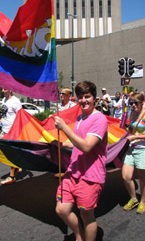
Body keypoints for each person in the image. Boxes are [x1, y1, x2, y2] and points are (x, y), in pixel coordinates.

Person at [54, 81, 108, 241]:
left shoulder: (100, 119)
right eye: (80, 97)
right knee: (62, 209)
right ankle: (80, 236)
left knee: (86, 216)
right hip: (73, 172)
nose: (84, 100)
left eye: (87, 96)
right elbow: (79, 142)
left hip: (90, 177)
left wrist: (65, 128)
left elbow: (86, 146)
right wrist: (62, 144)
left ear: (94, 98)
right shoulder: (80, 117)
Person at [122, 93, 145, 214]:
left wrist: (135, 136)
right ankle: (134, 198)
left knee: (142, 178)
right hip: (131, 149)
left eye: (136, 103)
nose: (133, 105)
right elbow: (131, 130)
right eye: (131, 103)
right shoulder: (132, 113)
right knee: (126, 176)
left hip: (142, 150)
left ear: (142, 103)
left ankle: (143, 202)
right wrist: (127, 130)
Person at [0, 89, 22, 185]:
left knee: (11, 153)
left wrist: (16, 130)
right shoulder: (4, 100)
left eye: (5, 89)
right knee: (5, 151)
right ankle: (16, 166)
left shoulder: (15, 101)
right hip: (4, 130)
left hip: (12, 131)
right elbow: (5, 115)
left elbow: (20, 116)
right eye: (2, 89)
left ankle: (12, 176)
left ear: (10, 90)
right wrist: (0, 121)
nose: (3, 90)